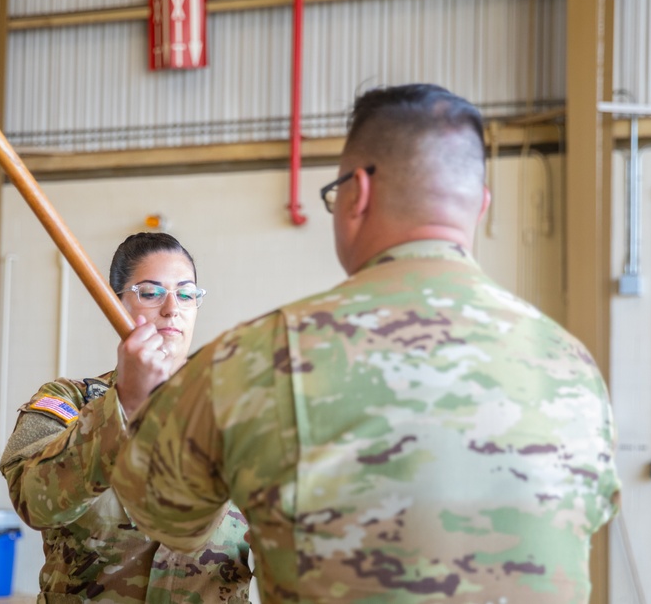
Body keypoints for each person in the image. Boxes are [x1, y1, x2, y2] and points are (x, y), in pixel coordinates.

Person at [109, 84, 621, 603]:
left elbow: (167, 517)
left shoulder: (259, 357)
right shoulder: (571, 364)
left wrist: (141, 401)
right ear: (481, 205)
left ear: (357, 193)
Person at [0, 232, 252, 603]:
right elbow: (33, 500)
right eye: (151, 292)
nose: (172, 308)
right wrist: (126, 405)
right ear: (115, 302)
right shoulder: (68, 401)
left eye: (186, 293)